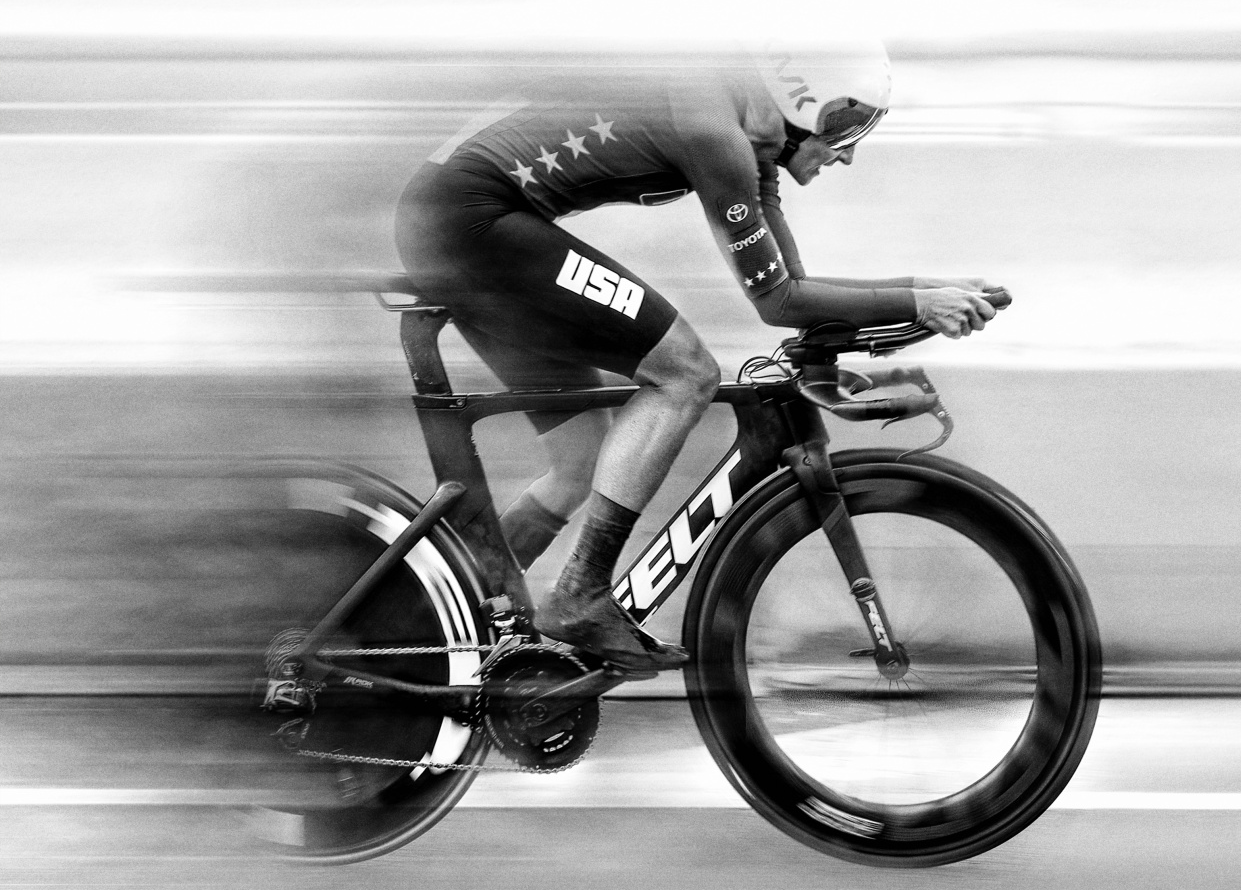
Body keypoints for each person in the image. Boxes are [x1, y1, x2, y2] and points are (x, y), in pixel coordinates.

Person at [394, 40, 997, 676]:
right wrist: (917, 302)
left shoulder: (746, 137)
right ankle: (579, 595)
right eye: (846, 127)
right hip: (469, 222)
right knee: (685, 373)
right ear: (801, 100)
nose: (847, 152)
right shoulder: (714, 131)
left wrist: (926, 292)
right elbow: (778, 302)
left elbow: (792, 285)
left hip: (454, 218)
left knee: (582, 459)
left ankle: (443, 616)